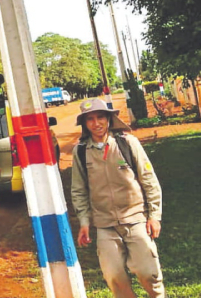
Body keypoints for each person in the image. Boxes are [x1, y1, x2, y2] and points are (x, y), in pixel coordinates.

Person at [71, 98, 164, 298]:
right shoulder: (80, 151)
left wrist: (154, 215)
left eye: (101, 117)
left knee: (148, 273)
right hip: (105, 224)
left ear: (109, 118)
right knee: (114, 277)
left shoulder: (127, 143)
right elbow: (78, 190)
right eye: (90, 119)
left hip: (135, 218)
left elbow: (148, 179)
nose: (96, 123)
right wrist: (85, 222)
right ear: (85, 124)